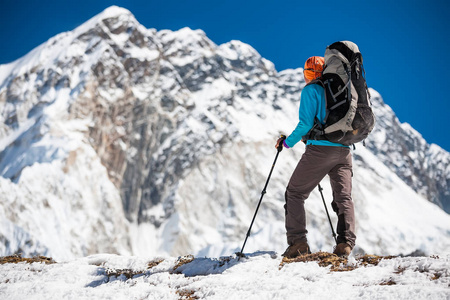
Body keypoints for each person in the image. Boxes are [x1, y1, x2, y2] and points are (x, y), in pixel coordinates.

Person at [276, 56, 356, 258]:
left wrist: (286, 143)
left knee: (294, 193)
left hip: (320, 151)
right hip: (345, 151)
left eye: (307, 73)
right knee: (343, 197)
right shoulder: (342, 91)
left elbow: (304, 125)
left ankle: (298, 244)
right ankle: (345, 244)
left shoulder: (311, 90)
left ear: (309, 74)